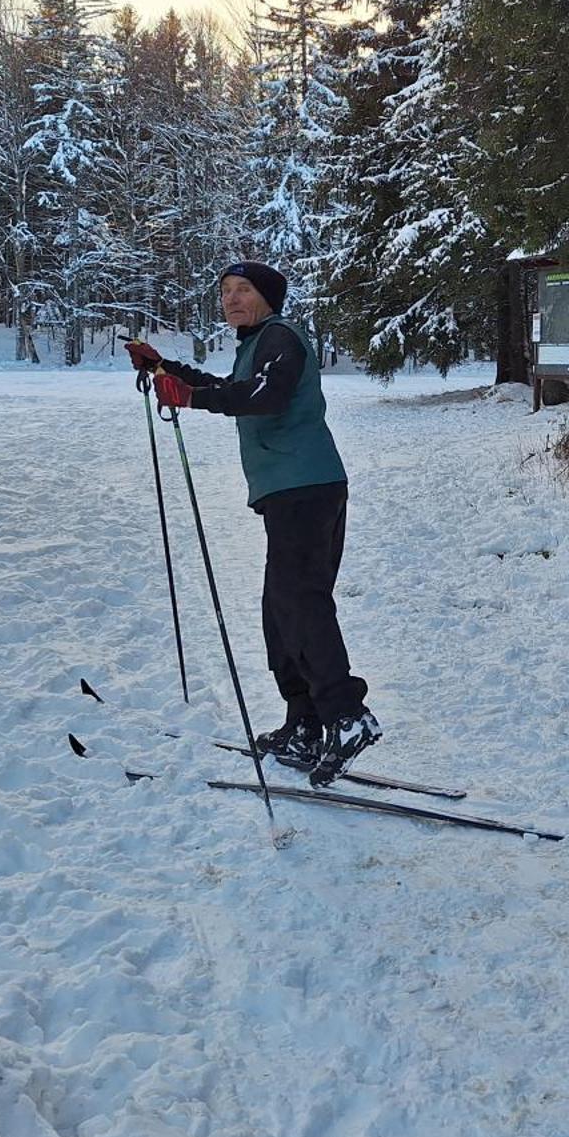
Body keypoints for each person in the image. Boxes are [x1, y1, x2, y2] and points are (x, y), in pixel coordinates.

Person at [125, 261, 381, 787]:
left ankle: (347, 715)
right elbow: (235, 388)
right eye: (224, 292)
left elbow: (267, 397)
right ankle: (306, 720)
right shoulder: (256, 343)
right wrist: (166, 370)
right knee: (278, 610)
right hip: (287, 491)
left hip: (307, 487)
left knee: (300, 602)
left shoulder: (281, 337)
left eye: (243, 290)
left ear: (268, 297)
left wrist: (192, 397)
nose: (231, 299)